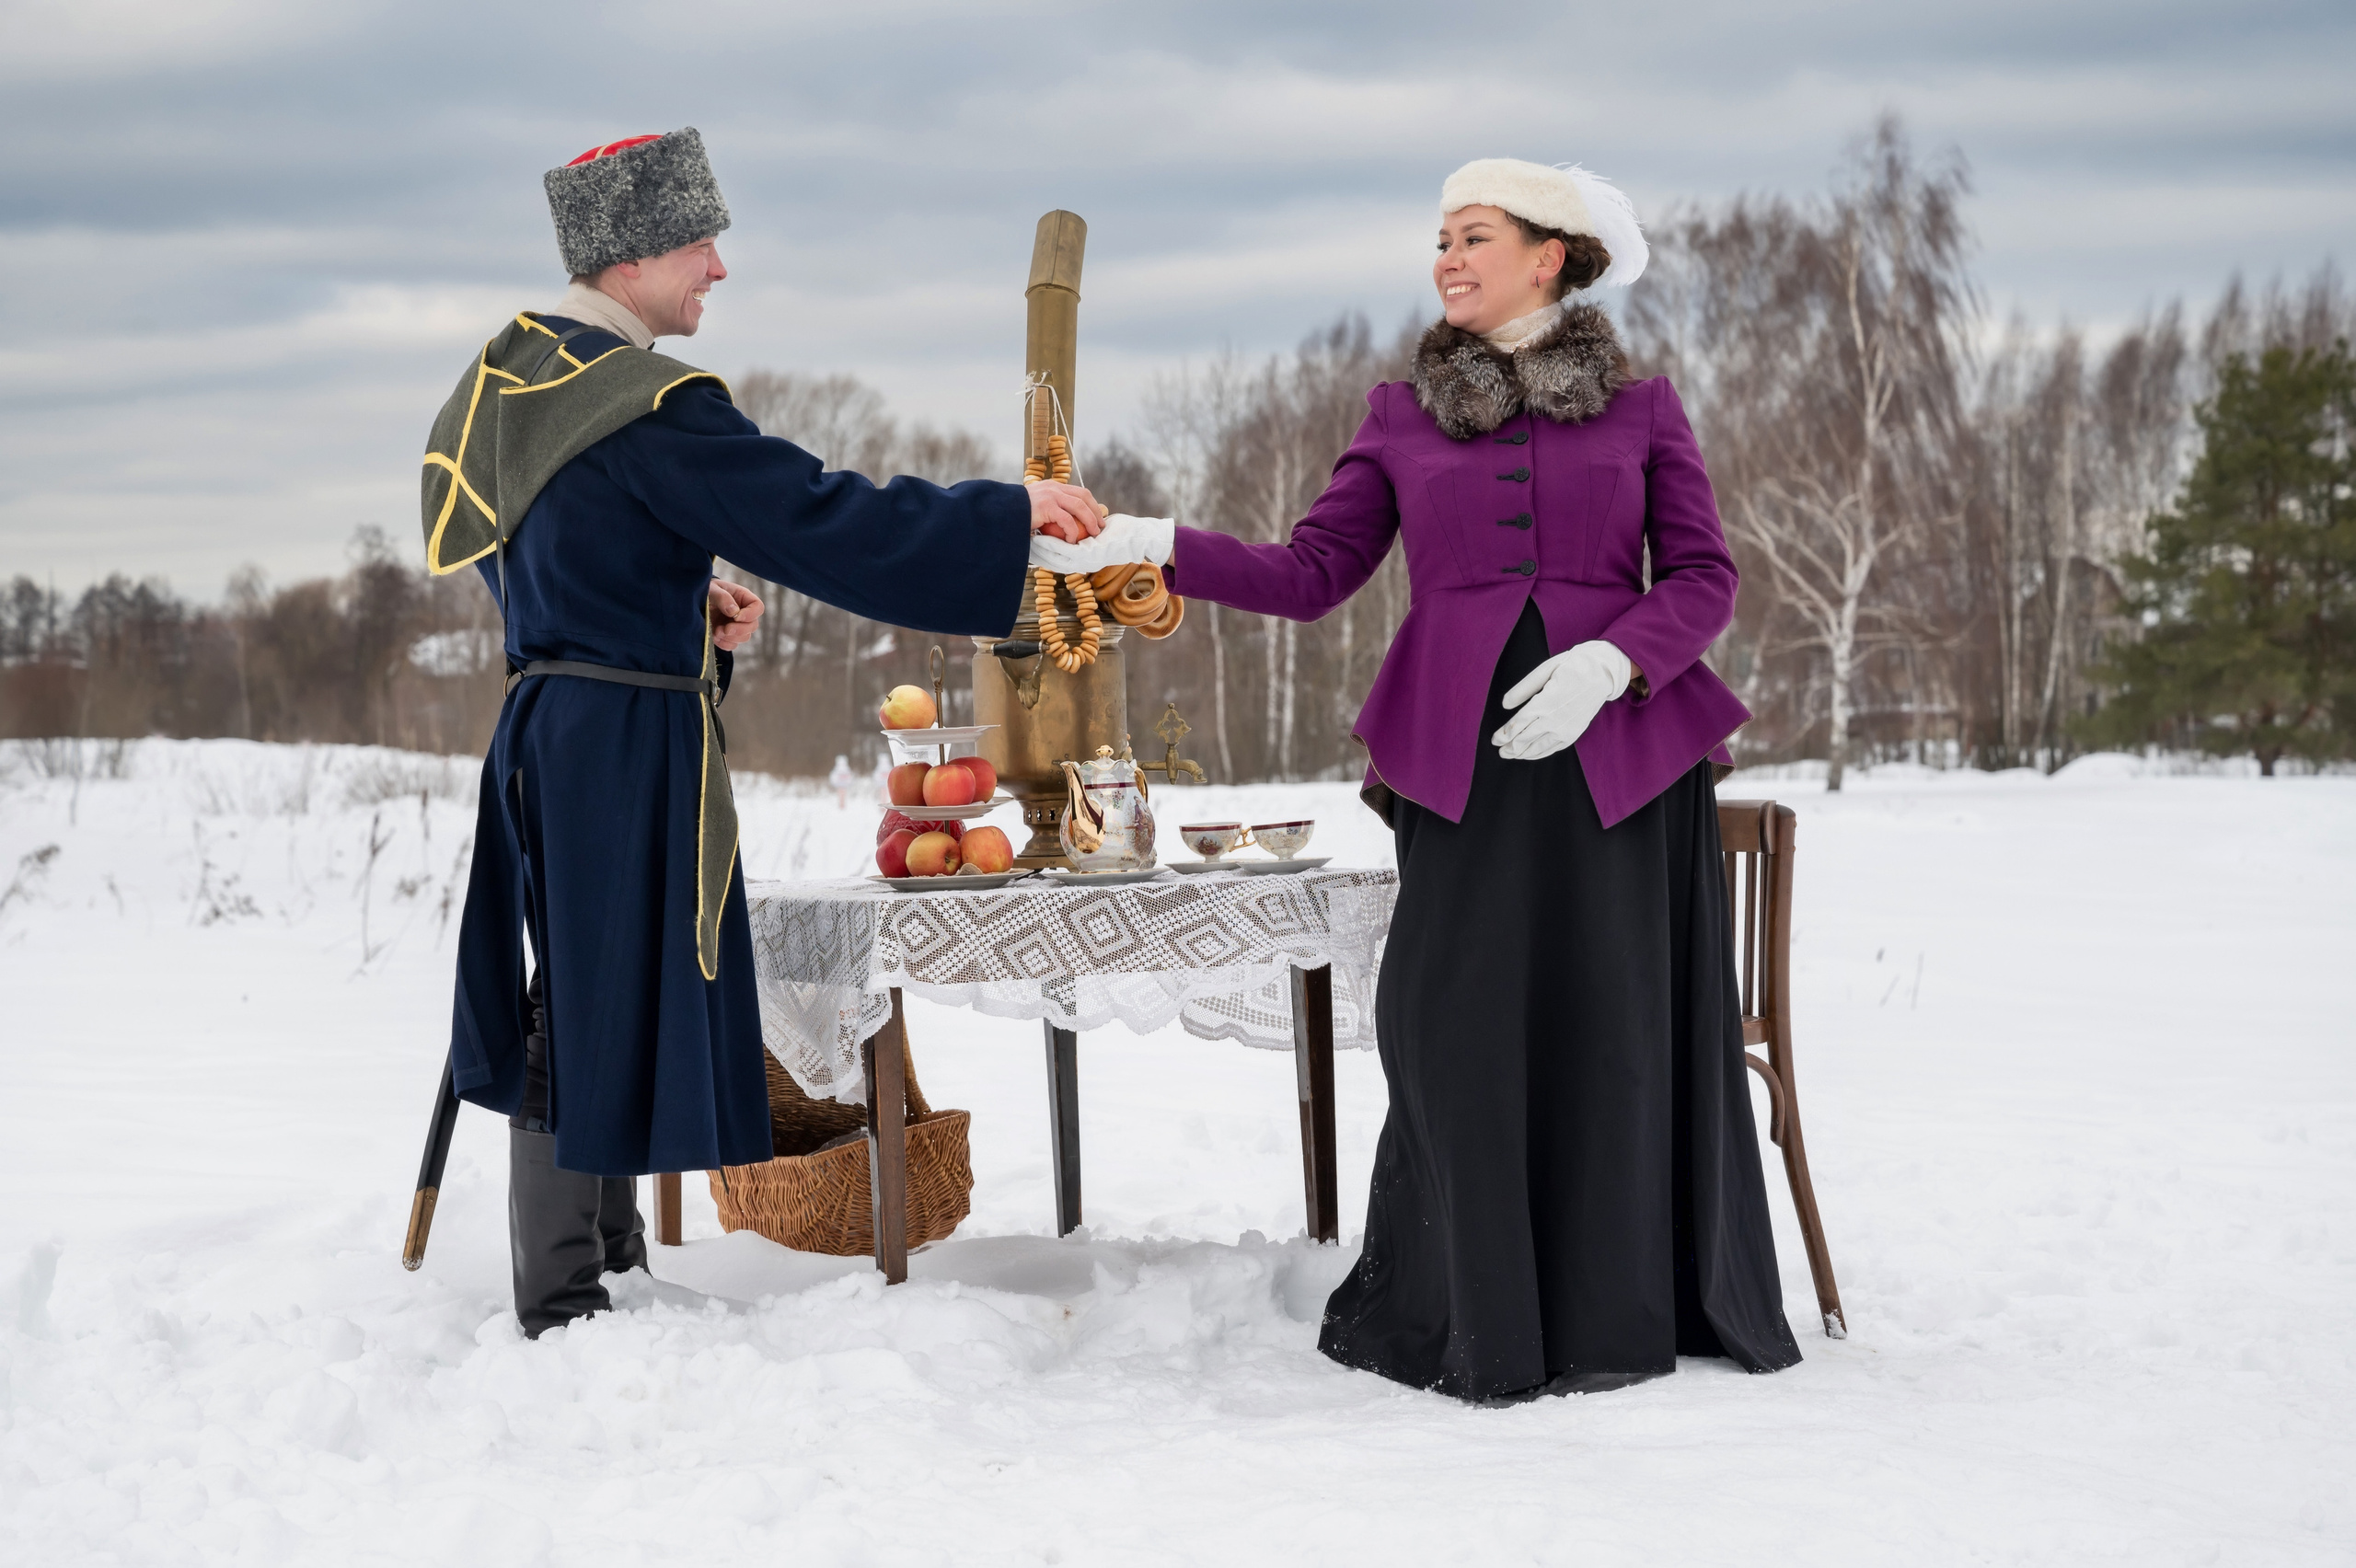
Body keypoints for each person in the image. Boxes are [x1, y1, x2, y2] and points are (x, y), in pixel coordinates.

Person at [1045, 158, 1801, 1401]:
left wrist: (1616, 662)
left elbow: (1705, 579)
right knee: (1449, 1026)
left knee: (1612, 1034)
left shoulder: (1648, 411)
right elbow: (1311, 571)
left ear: (1550, 254)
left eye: (1475, 236)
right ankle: (1479, 1309)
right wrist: (1150, 543)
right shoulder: (1399, 413)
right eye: (1439, 239)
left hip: (1622, 766)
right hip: (1466, 769)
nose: (1447, 258)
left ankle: (1620, 1313)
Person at [422, 129, 1106, 1336]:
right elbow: (820, 516)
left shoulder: (508, 379)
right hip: (621, 746)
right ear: (630, 256)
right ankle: (567, 1294)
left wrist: (670, 605)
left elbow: (516, 549)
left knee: (602, 982)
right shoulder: (641, 406)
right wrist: (1005, 520)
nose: (718, 268)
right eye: (698, 242)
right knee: (585, 999)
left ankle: (613, 1263)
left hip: (556, 724)